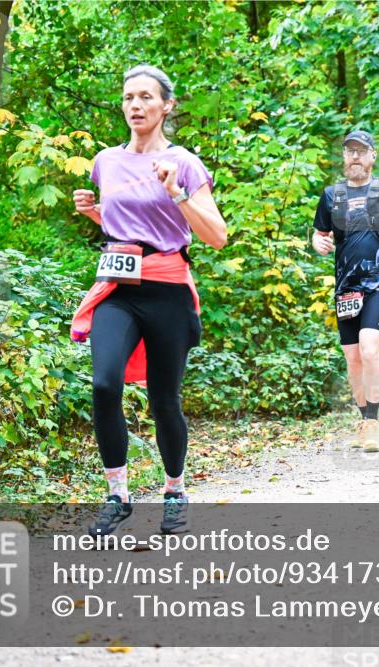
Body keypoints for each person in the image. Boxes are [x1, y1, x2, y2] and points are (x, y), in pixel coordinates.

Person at [70, 65, 227, 536]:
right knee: (103, 385)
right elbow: (127, 229)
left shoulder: (185, 163)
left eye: (145, 97)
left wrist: (175, 191)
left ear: (166, 106)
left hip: (168, 291)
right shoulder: (105, 162)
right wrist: (95, 212)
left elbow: (216, 236)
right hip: (118, 291)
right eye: (128, 97)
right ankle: (117, 493)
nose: (135, 106)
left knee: (163, 400)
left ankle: (175, 490)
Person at [312, 130, 379, 452]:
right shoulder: (332, 195)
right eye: (349, 151)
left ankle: (372, 422)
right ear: (344, 157)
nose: (355, 156)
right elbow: (319, 234)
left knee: (370, 349)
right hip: (347, 288)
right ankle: (362, 420)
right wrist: (317, 242)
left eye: (361, 151)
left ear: (373, 157)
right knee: (353, 359)